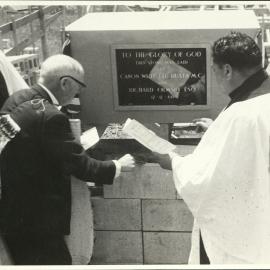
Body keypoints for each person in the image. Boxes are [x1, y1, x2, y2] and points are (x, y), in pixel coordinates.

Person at [0, 54, 135, 265]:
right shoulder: (51, 116)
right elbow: (80, 166)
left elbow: (26, 147)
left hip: (14, 215)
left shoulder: (16, 100)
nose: (78, 92)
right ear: (65, 82)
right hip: (39, 223)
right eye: (78, 86)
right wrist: (117, 165)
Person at [153, 32, 270, 264]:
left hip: (246, 240)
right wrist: (218, 128)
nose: (213, 78)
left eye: (214, 70)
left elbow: (208, 182)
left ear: (227, 70)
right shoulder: (258, 100)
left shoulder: (241, 114)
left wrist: (172, 162)